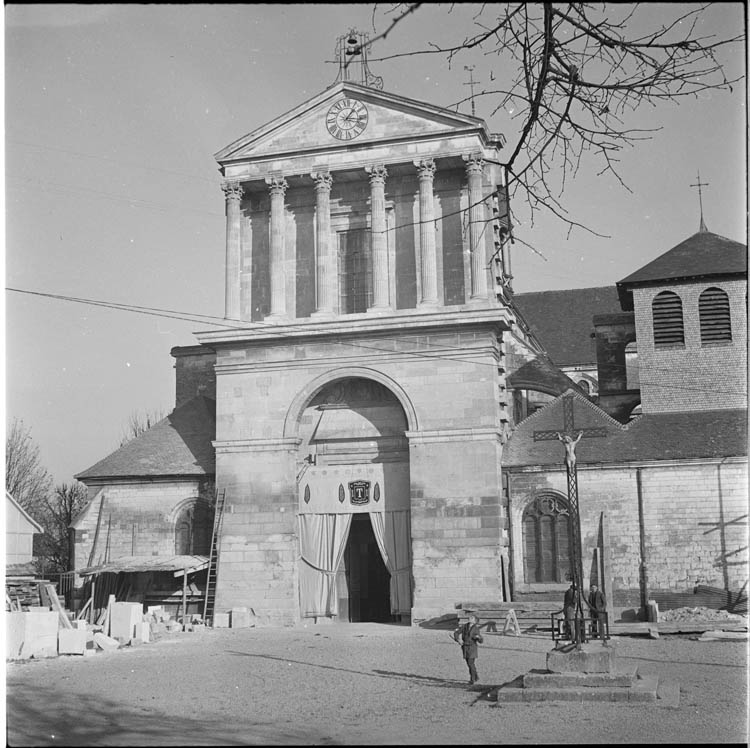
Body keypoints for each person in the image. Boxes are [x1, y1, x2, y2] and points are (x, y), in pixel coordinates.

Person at [452, 613, 484, 684]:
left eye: (472, 618)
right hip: (465, 648)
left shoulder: (476, 629)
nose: (470, 618)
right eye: (470, 617)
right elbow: (456, 633)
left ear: (475, 621)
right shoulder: (464, 626)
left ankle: (472, 679)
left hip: (472, 648)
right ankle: (476, 676)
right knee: (469, 663)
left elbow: (481, 641)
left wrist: (478, 638)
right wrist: (458, 640)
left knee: (470, 663)